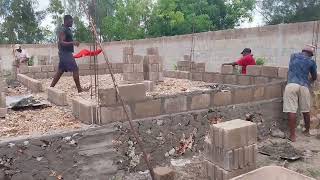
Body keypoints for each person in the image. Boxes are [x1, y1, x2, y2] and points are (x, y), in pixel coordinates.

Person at [283, 45, 317, 142]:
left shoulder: (293, 56)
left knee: (291, 110)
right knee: (306, 110)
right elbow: (314, 77)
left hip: (292, 84)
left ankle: (293, 136)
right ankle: (306, 131)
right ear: (311, 54)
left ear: (302, 51)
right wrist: (308, 81)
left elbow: (291, 69)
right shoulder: (311, 61)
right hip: (304, 86)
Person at [50, 15, 88, 93]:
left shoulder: (67, 29)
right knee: (75, 69)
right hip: (65, 54)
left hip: (64, 53)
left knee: (60, 71)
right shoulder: (63, 30)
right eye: (71, 21)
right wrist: (73, 43)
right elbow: (61, 42)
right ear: (66, 21)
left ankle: (50, 88)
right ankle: (79, 90)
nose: (72, 23)